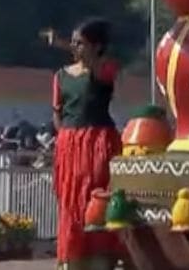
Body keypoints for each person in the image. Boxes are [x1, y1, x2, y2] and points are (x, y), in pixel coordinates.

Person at [52, 19, 123, 270]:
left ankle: (102, 259)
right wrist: (64, 139)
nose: (74, 47)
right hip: (69, 145)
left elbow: (97, 68)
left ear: (96, 46)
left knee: (96, 199)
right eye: (72, 42)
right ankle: (72, 259)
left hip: (99, 143)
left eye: (80, 43)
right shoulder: (61, 75)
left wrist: (62, 44)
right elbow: (57, 112)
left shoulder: (106, 69)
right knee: (71, 203)